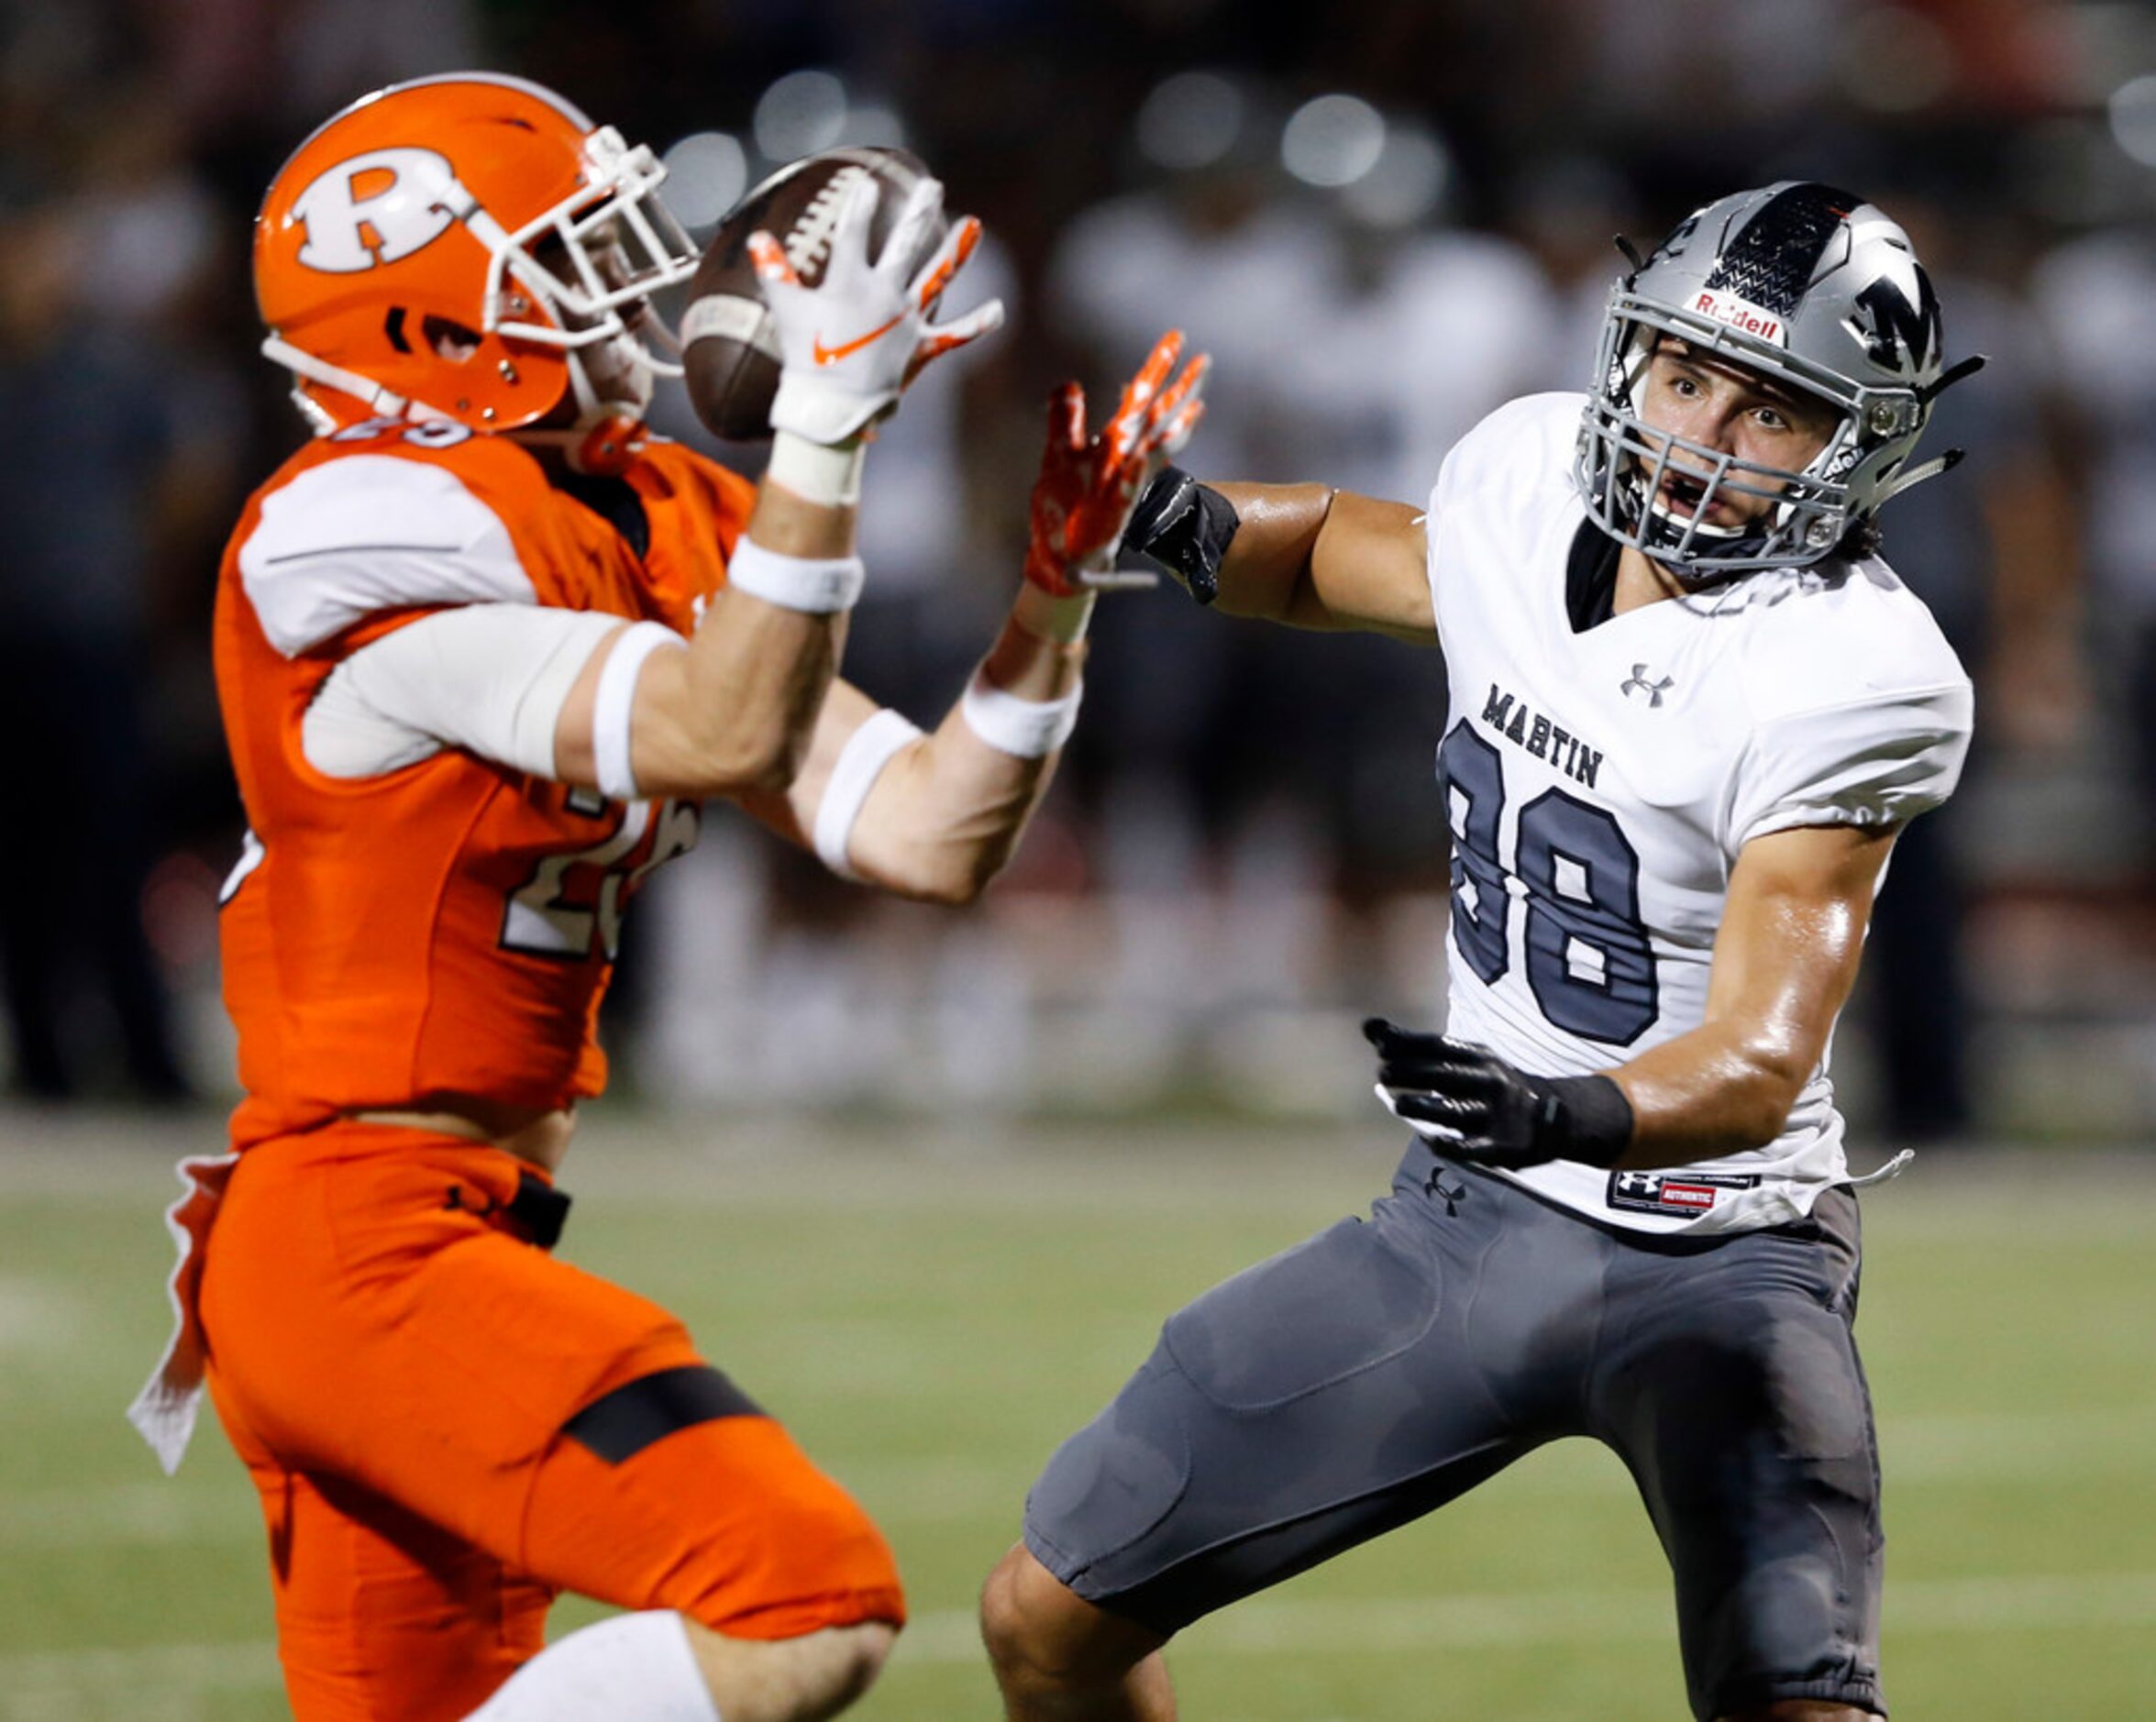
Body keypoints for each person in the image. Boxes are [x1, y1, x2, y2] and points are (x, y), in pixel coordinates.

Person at [123, 72, 1203, 1722]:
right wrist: (828, 429)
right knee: (802, 1598)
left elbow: (927, 834)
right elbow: (720, 724)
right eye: (563, 259)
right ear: (428, 323)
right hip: (358, 1247)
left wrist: (1050, 605)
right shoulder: (360, 528)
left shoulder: (640, 511)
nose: (631, 281)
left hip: (451, 1234)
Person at [980, 182, 1980, 1722]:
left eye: (1771, 409)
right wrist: (1167, 517)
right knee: (1046, 1617)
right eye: (1686, 375)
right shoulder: (1524, 477)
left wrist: (1576, 1109)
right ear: (1629, 353)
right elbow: (1332, 554)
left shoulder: (1856, 667)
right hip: (1463, 1223)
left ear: (1859, 444)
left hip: (1721, 1261)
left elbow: (1766, 1047)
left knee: (1800, 1705)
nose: (1703, 433)